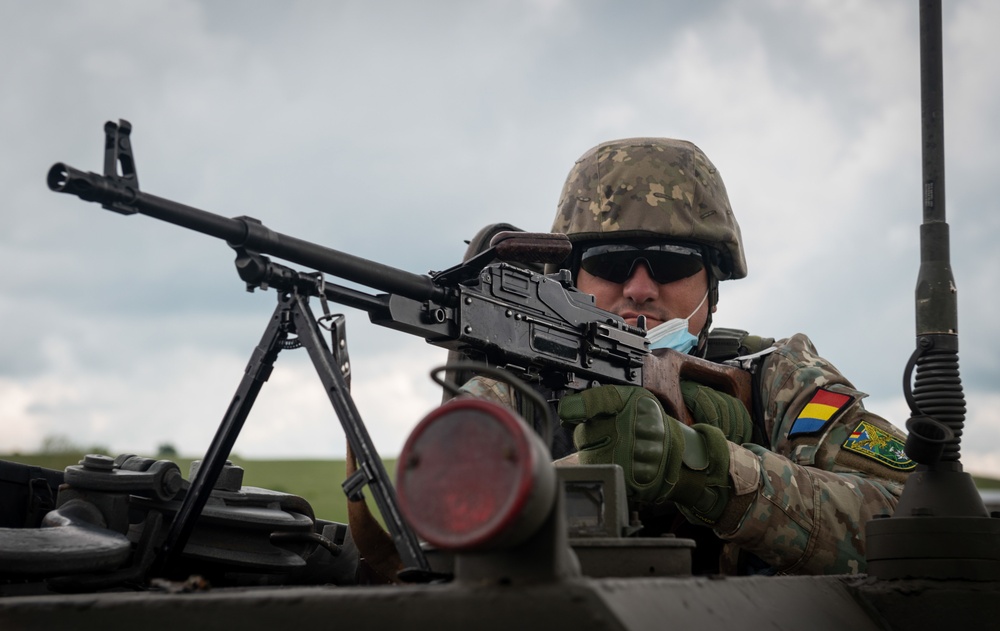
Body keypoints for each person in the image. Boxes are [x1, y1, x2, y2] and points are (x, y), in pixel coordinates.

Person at [461, 137, 913, 576]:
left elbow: (915, 521)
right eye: (610, 263)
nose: (639, 290)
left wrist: (711, 471)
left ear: (711, 291)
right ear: (569, 279)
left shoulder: (780, 383)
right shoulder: (511, 397)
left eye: (672, 263)